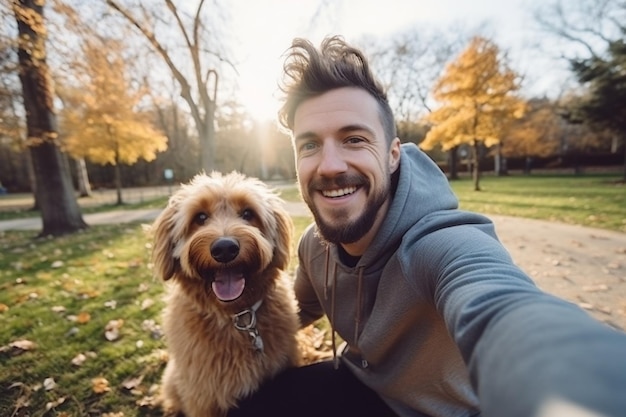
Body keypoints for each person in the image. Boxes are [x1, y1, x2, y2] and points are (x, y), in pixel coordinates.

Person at [228, 36, 626, 417]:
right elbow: (296, 310)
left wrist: (580, 386)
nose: (329, 165)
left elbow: (501, 306)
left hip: (443, 412)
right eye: (309, 145)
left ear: (392, 155)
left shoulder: (441, 244)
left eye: (354, 139)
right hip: (363, 383)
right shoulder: (315, 244)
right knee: (246, 407)